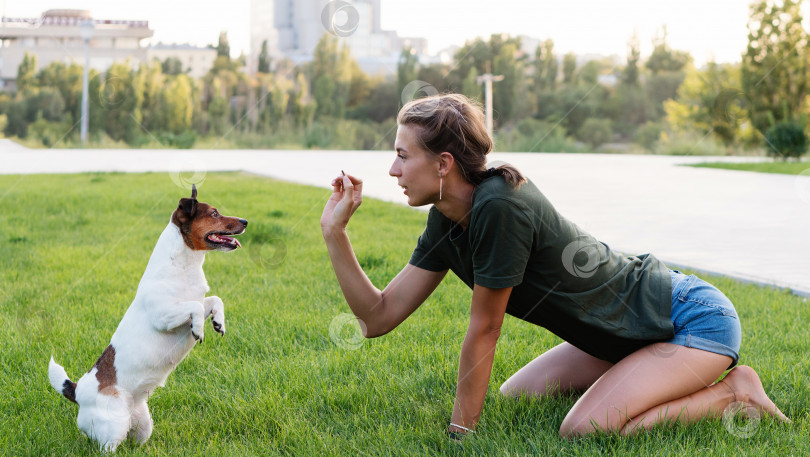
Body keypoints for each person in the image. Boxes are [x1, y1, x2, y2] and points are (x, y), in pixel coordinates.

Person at [319, 93, 789, 438]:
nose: (393, 171)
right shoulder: (447, 219)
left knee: (585, 430)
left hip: (690, 319)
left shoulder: (500, 206)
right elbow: (377, 318)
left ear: (443, 164)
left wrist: (459, 434)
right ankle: (637, 369)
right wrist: (335, 234)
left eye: (402, 156)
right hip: (622, 333)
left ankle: (735, 392)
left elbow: (486, 329)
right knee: (514, 398)